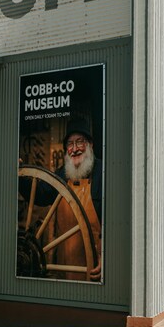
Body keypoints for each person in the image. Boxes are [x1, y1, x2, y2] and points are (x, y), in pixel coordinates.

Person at [53, 119, 103, 281]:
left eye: (79, 142)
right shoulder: (62, 174)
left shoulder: (103, 173)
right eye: (70, 144)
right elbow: (41, 194)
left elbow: (116, 220)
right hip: (65, 265)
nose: (74, 149)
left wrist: (108, 255)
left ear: (90, 145)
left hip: (94, 265)